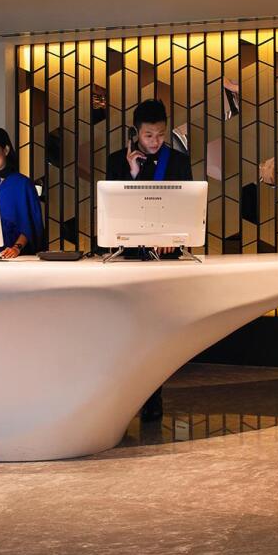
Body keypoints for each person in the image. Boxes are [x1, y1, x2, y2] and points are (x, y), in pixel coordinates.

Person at [106, 99, 193, 420]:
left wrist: (173, 238)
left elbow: (187, 208)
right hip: (128, 256)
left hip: (165, 257)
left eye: (160, 135)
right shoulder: (118, 162)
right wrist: (133, 174)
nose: (155, 142)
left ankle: (152, 397)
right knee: (127, 331)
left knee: (156, 332)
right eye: (148, 136)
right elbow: (113, 210)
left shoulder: (178, 161)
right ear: (136, 133)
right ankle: (124, 397)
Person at [0, 128, 44, 258]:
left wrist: (16, 248)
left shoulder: (22, 184)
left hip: (11, 256)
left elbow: (29, 224)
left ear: (6, 150)